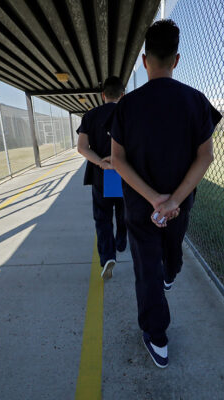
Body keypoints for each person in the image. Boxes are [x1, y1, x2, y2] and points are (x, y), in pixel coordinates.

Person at [109, 20, 222, 368]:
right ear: (176, 59)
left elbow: (117, 160)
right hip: (180, 204)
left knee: (147, 269)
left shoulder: (126, 106)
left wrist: (152, 198)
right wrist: (172, 200)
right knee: (172, 252)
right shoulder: (195, 101)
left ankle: (158, 339)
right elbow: (206, 155)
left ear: (145, 60)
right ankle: (171, 272)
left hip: (140, 207)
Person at [77, 76, 127, 280]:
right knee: (124, 212)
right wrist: (117, 161)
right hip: (125, 175)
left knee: (103, 218)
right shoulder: (129, 114)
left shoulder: (90, 116)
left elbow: (82, 148)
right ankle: (121, 241)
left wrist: (102, 163)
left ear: (103, 95)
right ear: (122, 95)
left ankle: (107, 256)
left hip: (102, 176)